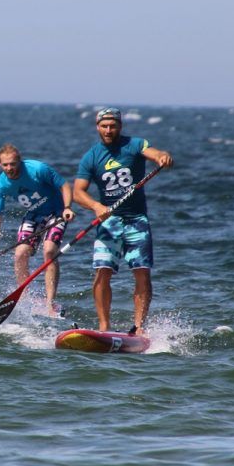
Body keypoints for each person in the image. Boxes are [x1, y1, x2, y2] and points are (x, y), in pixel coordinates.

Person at [72, 108, 173, 333]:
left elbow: (154, 153)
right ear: (97, 127)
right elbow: (77, 192)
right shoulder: (92, 156)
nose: (109, 130)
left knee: (142, 271)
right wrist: (97, 206)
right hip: (109, 221)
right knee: (102, 270)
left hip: (137, 220)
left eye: (113, 126)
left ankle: (138, 327)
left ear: (120, 126)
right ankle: (104, 326)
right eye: (104, 126)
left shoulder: (135, 144)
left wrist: (162, 156)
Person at [0, 144, 75, 317]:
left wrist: (68, 207)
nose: (9, 168)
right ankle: (24, 298)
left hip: (57, 212)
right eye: (5, 165)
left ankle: (50, 304)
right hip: (34, 216)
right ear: (0, 165)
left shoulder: (38, 169)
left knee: (49, 251)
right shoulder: (0, 185)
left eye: (13, 164)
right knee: (20, 254)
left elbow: (64, 186)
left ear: (20, 161)